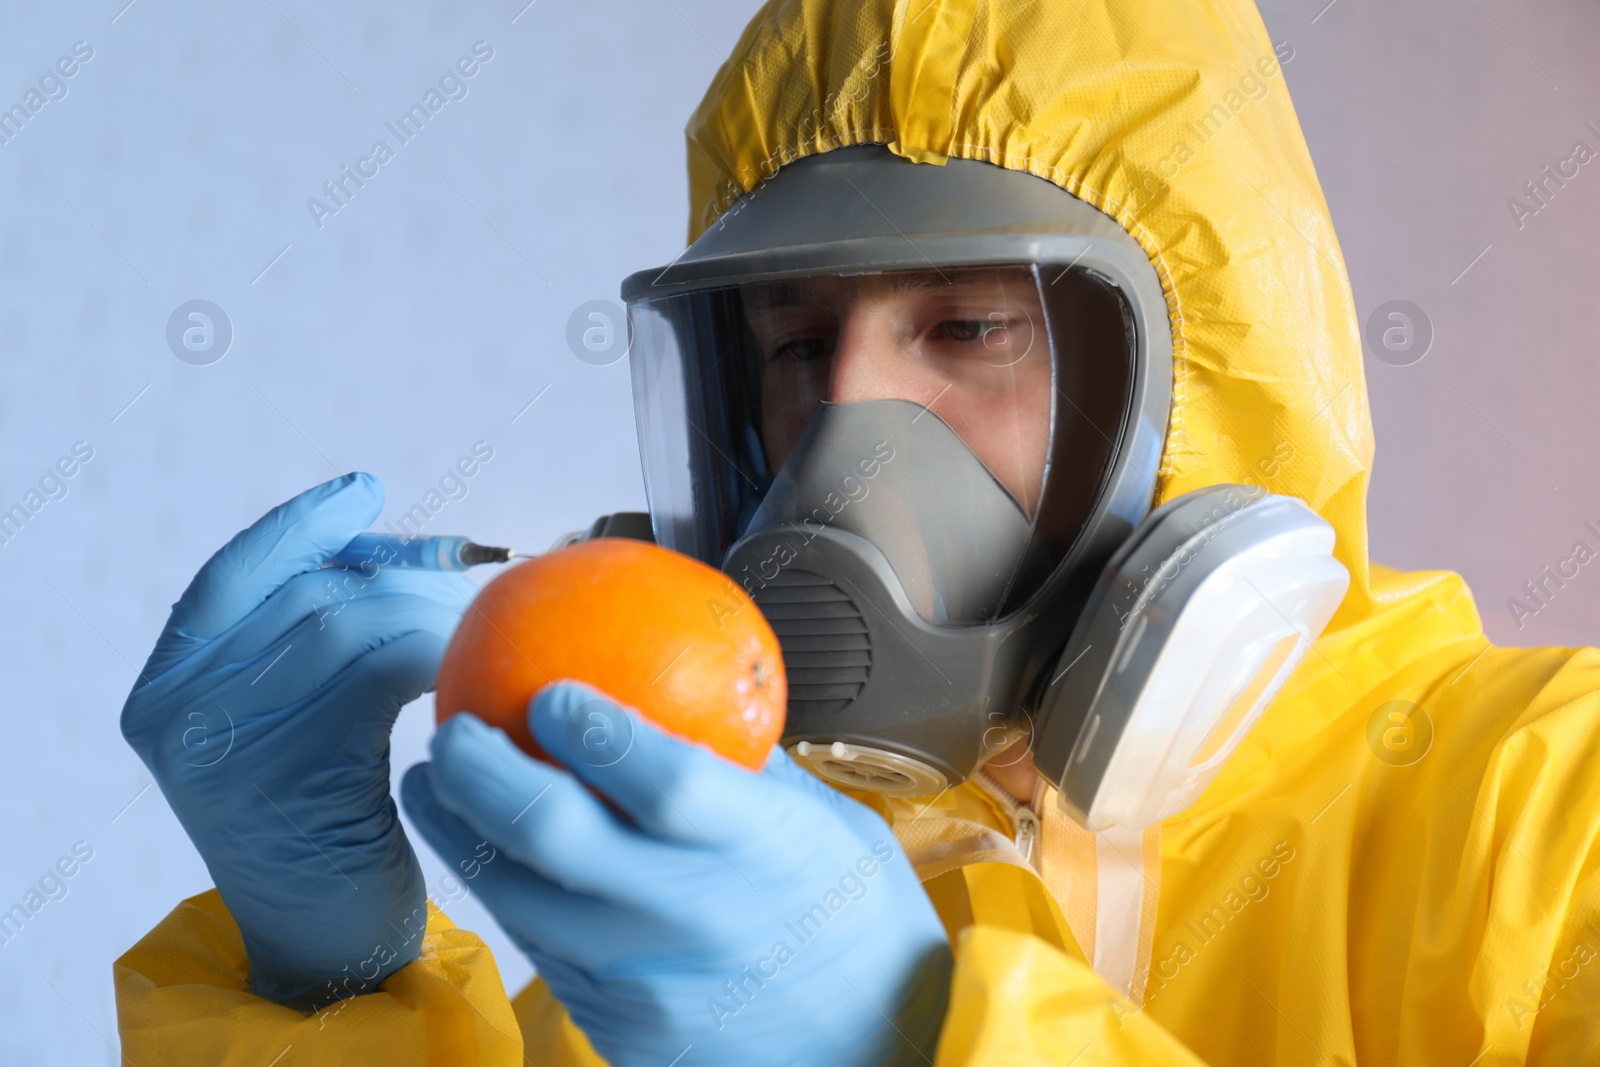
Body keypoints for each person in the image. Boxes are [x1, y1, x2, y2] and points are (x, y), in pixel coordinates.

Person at [114, 0, 1600, 1063]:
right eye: (793, 345)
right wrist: (323, 986)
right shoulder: (697, 944)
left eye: (967, 327)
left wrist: (912, 1037)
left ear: (1202, 369)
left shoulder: (1544, 824)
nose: (845, 432)